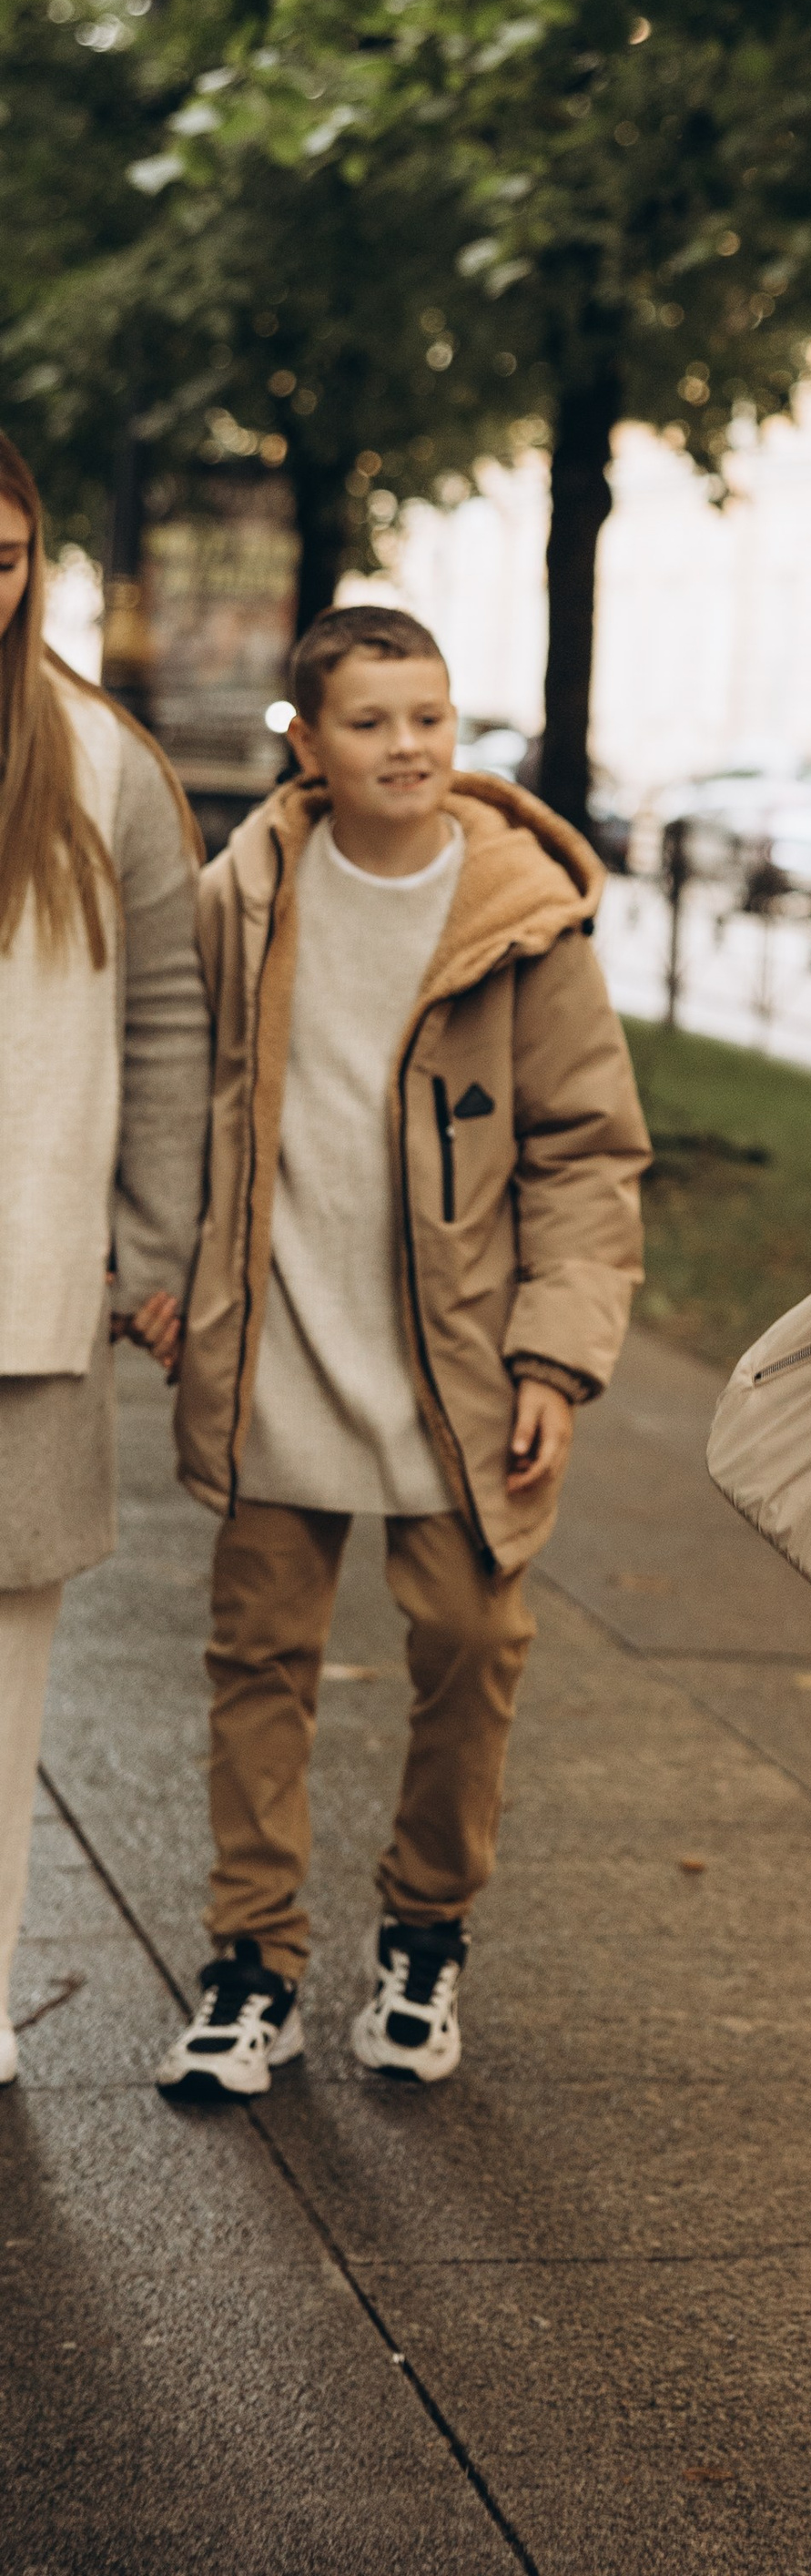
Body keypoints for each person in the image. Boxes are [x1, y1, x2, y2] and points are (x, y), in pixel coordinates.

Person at [155, 604, 650, 2103]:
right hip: (278, 1343)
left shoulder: (521, 915)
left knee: (475, 1648)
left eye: (429, 718)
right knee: (259, 1658)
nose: (409, 749)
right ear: (304, 742)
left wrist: (558, 1361)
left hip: (459, 1369)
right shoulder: (241, 899)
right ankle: (254, 1963)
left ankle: (426, 1934)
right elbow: (186, 1092)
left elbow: (589, 1154)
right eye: (370, 722)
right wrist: (163, 1267)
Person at [0, 433, 208, 2087]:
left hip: (28, 1294)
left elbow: (162, 1014)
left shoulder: (99, 762)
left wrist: (151, 1244)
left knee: (4, 1680)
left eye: (4, 554)